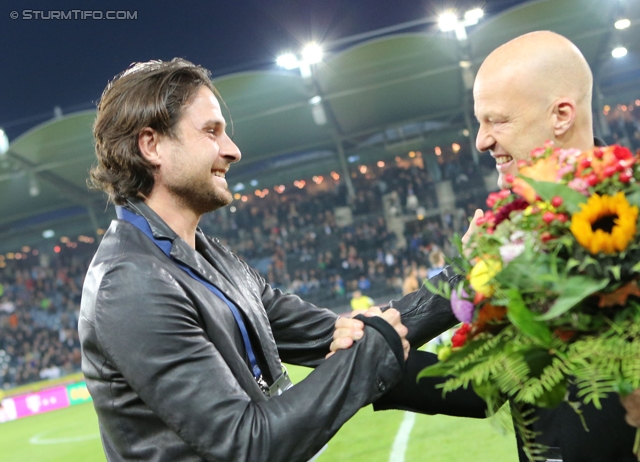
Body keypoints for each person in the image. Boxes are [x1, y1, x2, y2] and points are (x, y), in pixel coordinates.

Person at [78, 58, 413, 462]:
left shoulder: (212, 256)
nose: (232, 150)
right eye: (211, 131)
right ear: (151, 146)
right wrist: (368, 353)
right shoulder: (131, 282)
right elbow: (246, 445)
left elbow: (343, 332)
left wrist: (467, 282)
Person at [334, 31, 637, 462]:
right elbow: (485, 385)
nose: (481, 140)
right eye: (480, 122)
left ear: (561, 115)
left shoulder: (633, 212)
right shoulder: (511, 233)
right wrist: (364, 359)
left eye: (498, 120)